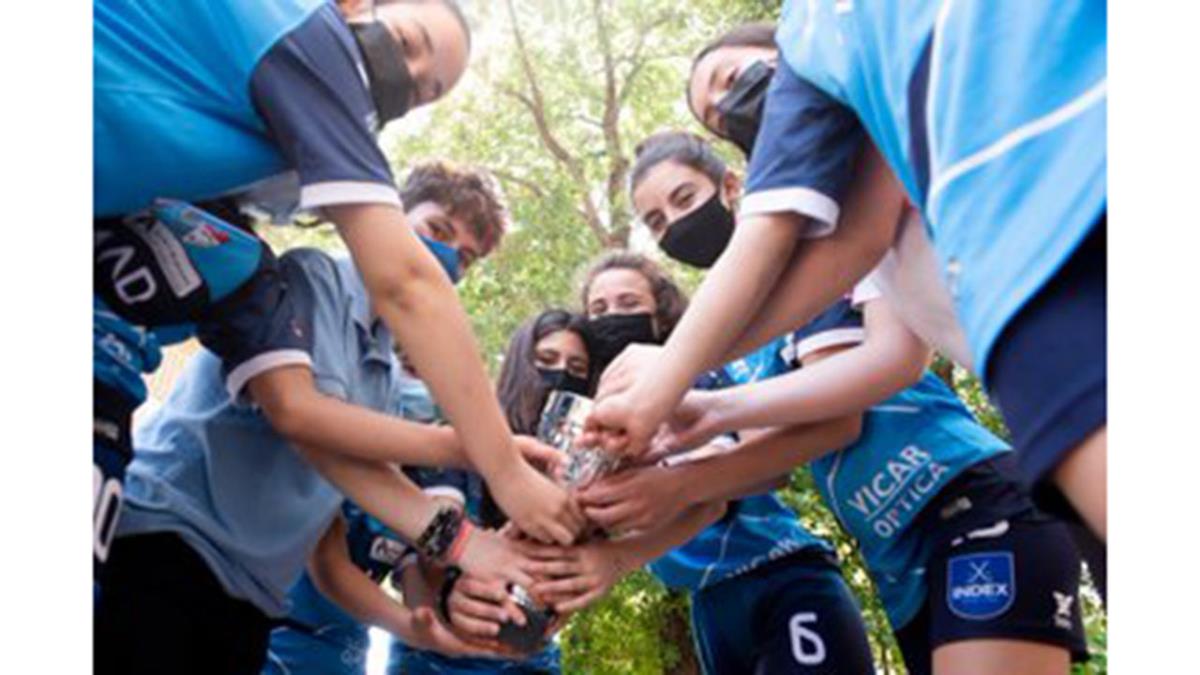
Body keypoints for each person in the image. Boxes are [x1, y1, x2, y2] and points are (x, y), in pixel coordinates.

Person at [94, 0, 579, 578]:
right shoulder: (298, 34)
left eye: (423, 91)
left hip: (120, 406)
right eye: (406, 42)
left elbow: (311, 421)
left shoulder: (238, 242)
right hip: (173, 533)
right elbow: (404, 285)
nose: (404, 80)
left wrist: (464, 547)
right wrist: (499, 464)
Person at [589, 3, 1107, 544]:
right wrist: (696, 395)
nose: (729, 105)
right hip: (1020, 351)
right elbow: (851, 249)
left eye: (730, 79)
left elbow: (773, 235)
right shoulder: (867, 142)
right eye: (717, 119)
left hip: (1056, 277)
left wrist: (666, 379)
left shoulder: (812, 37)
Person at [604, 130, 1089, 674]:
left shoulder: (804, 263)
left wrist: (689, 434)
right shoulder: (742, 343)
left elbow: (840, 418)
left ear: (732, 186)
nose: (675, 225)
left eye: (684, 199)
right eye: (657, 223)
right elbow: (768, 456)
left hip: (963, 496)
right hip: (894, 559)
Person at [94, 168, 556, 673]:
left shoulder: (382, 382)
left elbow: (327, 551)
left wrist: (414, 627)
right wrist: (487, 456)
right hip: (170, 542)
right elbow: (308, 424)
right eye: (439, 230)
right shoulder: (318, 278)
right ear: (393, 216)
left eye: (465, 257)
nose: (446, 258)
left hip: (252, 596)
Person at [535, 253, 877, 674]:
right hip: (707, 598)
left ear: (660, 315)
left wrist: (678, 478)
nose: (613, 317)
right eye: (599, 309)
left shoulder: (692, 372)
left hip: (777, 570)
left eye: (628, 303)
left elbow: (766, 466)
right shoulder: (590, 413)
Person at [389, 310, 587, 673]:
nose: (560, 375)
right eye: (545, 360)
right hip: (434, 658)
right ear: (518, 367)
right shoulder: (462, 440)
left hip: (528, 659)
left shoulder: (580, 471)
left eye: (577, 369)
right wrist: (455, 587)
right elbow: (427, 544)